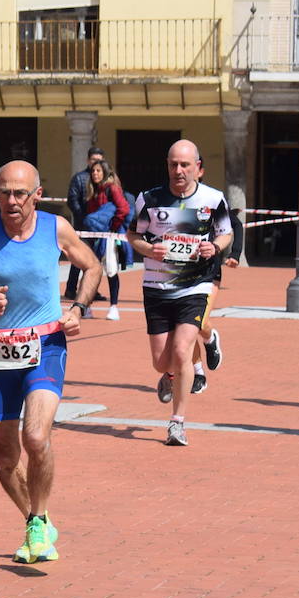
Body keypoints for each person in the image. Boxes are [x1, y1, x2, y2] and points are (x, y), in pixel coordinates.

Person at [0, 160, 99, 564]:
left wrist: (78, 309)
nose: (11, 201)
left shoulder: (56, 228)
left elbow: (91, 265)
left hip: (46, 345)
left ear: (37, 194)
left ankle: (36, 518)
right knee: (3, 456)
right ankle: (39, 520)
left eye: (19, 193)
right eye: (3, 192)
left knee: (35, 437)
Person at [127, 140, 233, 447]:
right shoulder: (150, 199)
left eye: (185, 165)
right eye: (173, 164)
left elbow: (226, 232)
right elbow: (133, 233)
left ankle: (177, 423)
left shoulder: (213, 199)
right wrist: (149, 248)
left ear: (198, 167)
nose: (178, 171)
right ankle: (169, 376)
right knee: (162, 362)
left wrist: (215, 246)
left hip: (195, 284)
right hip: (157, 286)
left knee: (182, 350)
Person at [64, 159, 129, 320]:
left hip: (108, 237)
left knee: (111, 270)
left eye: (98, 171)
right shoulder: (93, 190)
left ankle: (114, 307)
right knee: (92, 269)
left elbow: (123, 208)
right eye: (93, 171)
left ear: (105, 172)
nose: (95, 174)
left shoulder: (112, 189)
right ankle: (87, 306)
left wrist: (113, 227)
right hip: (93, 237)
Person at [190, 207, 244, 394]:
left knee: (199, 321)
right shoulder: (169, 203)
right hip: (180, 273)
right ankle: (198, 374)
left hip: (209, 273)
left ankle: (210, 338)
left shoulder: (210, 201)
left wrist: (235, 253)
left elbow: (236, 224)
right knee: (185, 326)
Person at [67, 146, 105, 223]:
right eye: (93, 159)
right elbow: (72, 200)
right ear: (88, 160)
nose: (96, 162)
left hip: (103, 223)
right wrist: (83, 217)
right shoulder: (79, 178)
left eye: (99, 160)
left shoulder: (108, 178)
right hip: (83, 223)